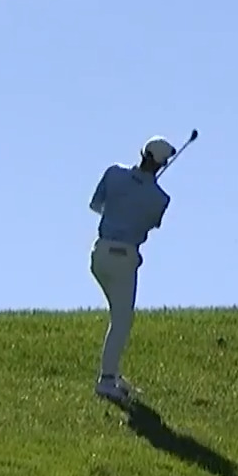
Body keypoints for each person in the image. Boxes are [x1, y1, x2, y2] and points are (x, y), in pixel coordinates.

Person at [87, 136, 175, 406]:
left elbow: (96, 206)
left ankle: (112, 374)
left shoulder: (114, 173)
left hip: (99, 254)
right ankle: (106, 380)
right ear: (161, 165)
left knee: (118, 317)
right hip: (124, 259)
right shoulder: (160, 199)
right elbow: (150, 225)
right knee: (122, 320)